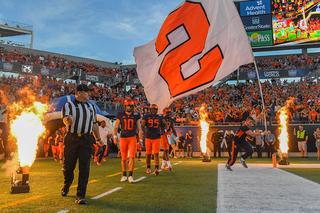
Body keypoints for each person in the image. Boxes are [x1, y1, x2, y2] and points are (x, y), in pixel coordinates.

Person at [61, 84, 101, 205]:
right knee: (68, 167)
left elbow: (94, 124)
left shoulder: (91, 107)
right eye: (87, 92)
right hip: (72, 139)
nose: (89, 93)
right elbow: (64, 119)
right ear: (79, 93)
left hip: (87, 139)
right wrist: (68, 120)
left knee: (85, 168)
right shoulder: (68, 105)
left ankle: (81, 195)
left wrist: (98, 139)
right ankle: (67, 182)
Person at [113, 99, 142, 183]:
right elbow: (116, 126)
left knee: (132, 156)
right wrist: (115, 136)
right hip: (123, 137)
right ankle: (124, 174)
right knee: (124, 157)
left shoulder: (136, 115)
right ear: (125, 106)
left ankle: (130, 175)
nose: (129, 108)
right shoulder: (120, 114)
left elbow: (139, 128)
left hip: (132, 137)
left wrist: (140, 139)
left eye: (131, 106)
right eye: (128, 106)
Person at [141, 104, 167, 176]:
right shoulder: (146, 116)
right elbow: (142, 124)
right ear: (150, 110)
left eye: (154, 110)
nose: (153, 111)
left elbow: (166, 124)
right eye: (152, 110)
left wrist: (164, 130)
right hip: (148, 136)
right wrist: (142, 129)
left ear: (156, 110)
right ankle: (148, 168)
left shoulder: (160, 117)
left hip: (157, 137)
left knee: (156, 153)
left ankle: (156, 168)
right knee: (148, 153)